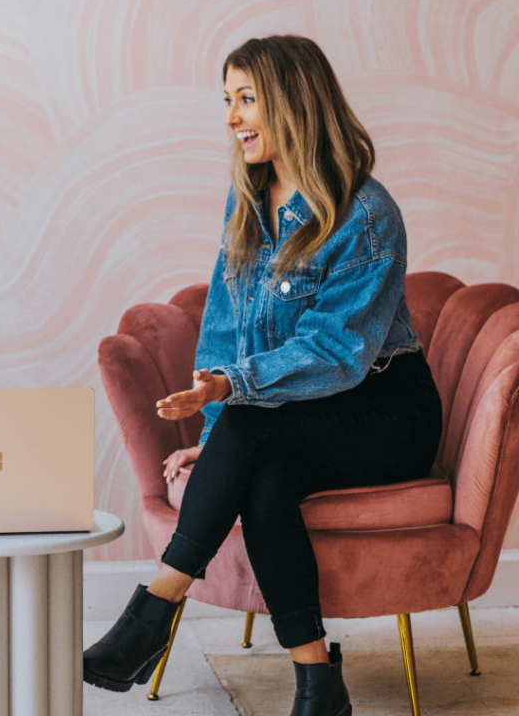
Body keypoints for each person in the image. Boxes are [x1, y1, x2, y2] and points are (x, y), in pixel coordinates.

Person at [83, 36, 442, 716]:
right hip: (295, 415)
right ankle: (318, 685)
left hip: (387, 413)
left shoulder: (365, 213)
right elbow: (225, 328)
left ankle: (151, 615)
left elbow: (336, 352)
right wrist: (217, 434)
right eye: (228, 100)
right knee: (266, 481)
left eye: (246, 99)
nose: (231, 117)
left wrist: (229, 395)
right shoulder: (248, 197)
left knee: (250, 423)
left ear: (294, 102)